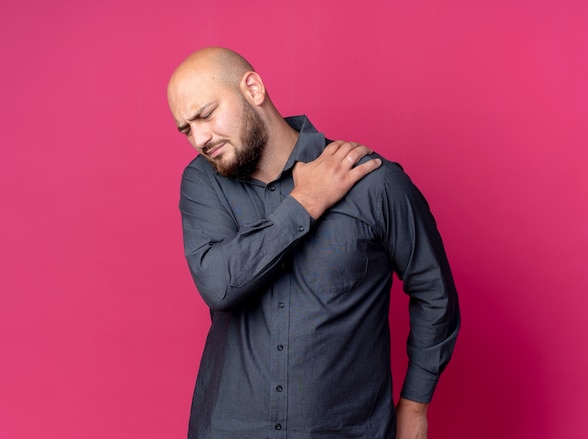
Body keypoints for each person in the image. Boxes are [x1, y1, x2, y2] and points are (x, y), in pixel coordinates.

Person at [167, 47, 460, 439]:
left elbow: (434, 293)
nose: (200, 138)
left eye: (205, 114)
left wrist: (415, 406)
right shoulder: (203, 184)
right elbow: (220, 284)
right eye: (186, 129)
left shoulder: (374, 183)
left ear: (252, 88)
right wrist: (305, 201)